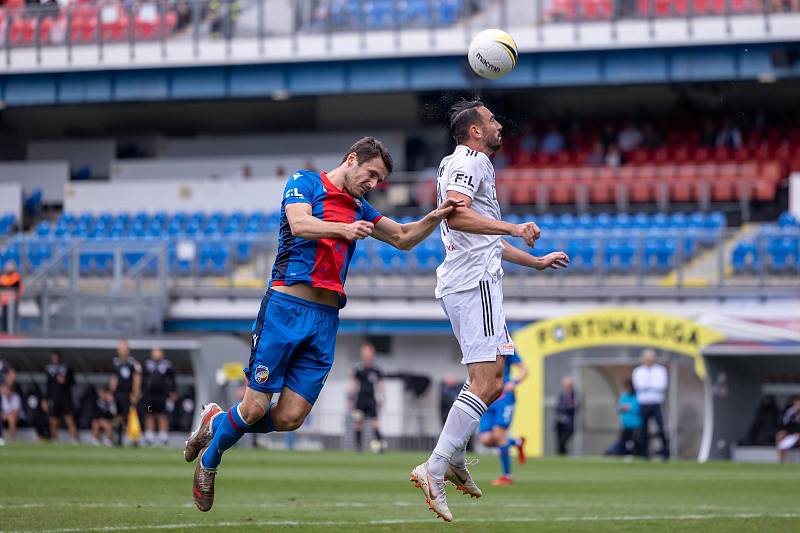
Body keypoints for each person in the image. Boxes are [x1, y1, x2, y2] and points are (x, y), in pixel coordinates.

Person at [183, 136, 464, 512]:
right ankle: (210, 461)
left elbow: (402, 237)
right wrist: (343, 230)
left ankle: (216, 422)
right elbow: (299, 225)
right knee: (253, 409)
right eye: (371, 174)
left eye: (380, 180)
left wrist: (435, 216)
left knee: (290, 417)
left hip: (325, 321)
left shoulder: (359, 207)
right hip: (285, 309)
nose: (374, 184)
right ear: (351, 160)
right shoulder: (306, 182)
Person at [410, 99, 569, 523]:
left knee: (495, 381)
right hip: (471, 283)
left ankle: (456, 456)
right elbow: (459, 217)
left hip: (478, 279)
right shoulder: (470, 161)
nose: (500, 124)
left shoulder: (469, 163)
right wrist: (515, 225)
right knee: (484, 381)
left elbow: (482, 236)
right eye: (492, 120)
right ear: (476, 131)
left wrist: (533, 260)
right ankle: (436, 466)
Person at [478, 352, 528, 486]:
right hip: (489, 397)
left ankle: (507, 476)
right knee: (485, 440)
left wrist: (514, 382)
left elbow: (524, 369)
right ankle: (516, 442)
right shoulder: (482, 346)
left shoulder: (505, 347)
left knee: (498, 435)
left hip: (504, 397)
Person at [632, 348, 670, 460]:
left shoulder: (660, 370)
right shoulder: (638, 371)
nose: (648, 360)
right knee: (643, 429)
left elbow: (661, 386)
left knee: (661, 427)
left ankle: (665, 453)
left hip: (656, 402)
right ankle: (644, 453)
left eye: (650, 358)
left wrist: (648, 386)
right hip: (643, 403)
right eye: (646, 358)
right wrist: (651, 386)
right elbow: (639, 386)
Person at [349, 341, 385, 452]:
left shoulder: (376, 369)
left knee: (375, 422)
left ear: (372, 353)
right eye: (365, 351)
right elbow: (353, 384)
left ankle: (379, 446)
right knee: (358, 422)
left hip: (371, 398)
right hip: (360, 398)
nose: (367, 354)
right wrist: (350, 398)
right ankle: (359, 446)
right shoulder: (358, 368)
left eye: (369, 351)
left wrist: (382, 397)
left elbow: (380, 384)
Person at [110, 339, 142, 446]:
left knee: (130, 415)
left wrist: (135, 393)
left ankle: (134, 439)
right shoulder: (116, 362)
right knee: (118, 416)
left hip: (128, 394)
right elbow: (114, 378)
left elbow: (137, 378)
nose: (122, 350)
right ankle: (118, 438)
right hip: (118, 394)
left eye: (124, 348)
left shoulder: (133, 362)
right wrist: (111, 391)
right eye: (120, 348)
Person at [143, 347, 177, 447]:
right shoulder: (147, 364)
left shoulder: (167, 365)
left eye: (158, 352)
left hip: (162, 395)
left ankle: (163, 435)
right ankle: (149, 435)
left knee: (162, 414)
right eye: (155, 352)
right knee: (149, 414)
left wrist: (173, 391)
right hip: (149, 395)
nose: (156, 354)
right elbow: (142, 379)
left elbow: (172, 379)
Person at [45, 350, 79, 443]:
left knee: (69, 419)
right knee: (53, 420)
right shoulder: (49, 369)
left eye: (56, 357)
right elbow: (48, 385)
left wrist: (65, 380)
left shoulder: (67, 367)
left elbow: (73, 381)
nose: (55, 359)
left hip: (65, 397)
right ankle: (55, 439)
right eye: (53, 357)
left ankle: (74, 439)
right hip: (54, 397)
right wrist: (46, 399)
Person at [615, 379, 641, 456]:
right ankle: (622, 455)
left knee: (636, 442)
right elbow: (620, 407)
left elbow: (636, 407)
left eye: (628, 386)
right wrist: (626, 407)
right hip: (626, 425)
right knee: (623, 442)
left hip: (636, 425)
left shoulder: (637, 396)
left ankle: (638, 455)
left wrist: (627, 407)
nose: (627, 388)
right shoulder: (624, 396)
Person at [554, 376, 577, 455]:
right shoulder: (562, 395)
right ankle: (560, 456)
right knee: (559, 442)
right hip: (560, 423)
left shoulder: (574, 395)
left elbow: (573, 407)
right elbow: (558, 407)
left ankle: (564, 455)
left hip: (568, 424)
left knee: (563, 441)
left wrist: (565, 408)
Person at [0, 260, 23, 333]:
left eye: (10, 266)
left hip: (13, 301)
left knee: (12, 318)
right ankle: (4, 332)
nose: (8, 268)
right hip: (4, 302)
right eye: (7, 266)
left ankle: (12, 332)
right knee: (4, 318)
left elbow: (15, 287)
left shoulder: (16, 276)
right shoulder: (3, 277)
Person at [777, 395, 800, 463]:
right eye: (797, 403)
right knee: (779, 437)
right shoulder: (790, 412)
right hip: (792, 435)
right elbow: (785, 425)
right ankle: (781, 462)